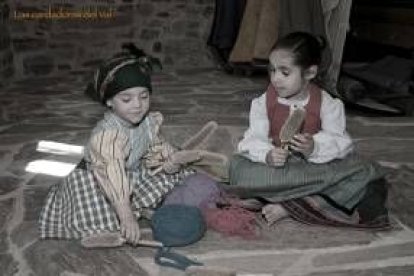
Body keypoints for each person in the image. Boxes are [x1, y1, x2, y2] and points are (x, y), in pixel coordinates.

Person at [39, 49, 201, 246]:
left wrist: (166, 162)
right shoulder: (108, 135)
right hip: (100, 179)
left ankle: (136, 207)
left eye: (144, 96)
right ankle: (107, 228)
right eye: (126, 99)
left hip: (128, 173)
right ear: (109, 101)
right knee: (96, 205)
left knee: (171, 172)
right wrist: (126, 216)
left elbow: (153, 147)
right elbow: (112, 172)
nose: (138, 105)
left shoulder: (148, 122)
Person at [229, 32, 390, 229]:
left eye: (285, 72)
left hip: (313, 168)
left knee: (364, 171)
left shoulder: (328, 104)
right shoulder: (263, 102)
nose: (276, 79)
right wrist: (268, 154)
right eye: (272, 70)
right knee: (237, 167)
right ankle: (305, 200)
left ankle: (287, 204)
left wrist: (314, 147)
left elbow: (340, 142)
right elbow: (253, 138)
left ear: (310, 73)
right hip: (276, 170)